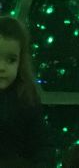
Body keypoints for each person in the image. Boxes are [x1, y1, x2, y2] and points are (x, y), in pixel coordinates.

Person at [0, 16, 54, 168]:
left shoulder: (26, 98)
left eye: (11, 60)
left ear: (21, 62)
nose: (2, 67)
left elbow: (42, 145)